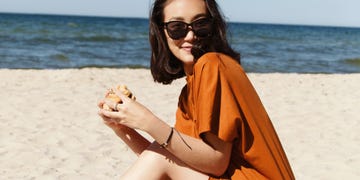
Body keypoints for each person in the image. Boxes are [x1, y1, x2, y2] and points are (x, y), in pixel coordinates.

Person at [98, 0, 295, 179]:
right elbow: (173, 158)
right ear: (162, 32)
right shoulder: (189, 90)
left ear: (213, 26)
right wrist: (122, 128)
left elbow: (216, 162)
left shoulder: (213, 65)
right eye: (177, 27)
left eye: (200, 24)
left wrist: (147, 121)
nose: (191, 35)